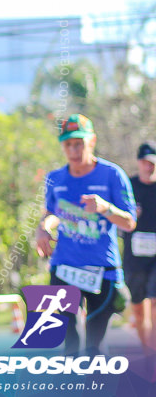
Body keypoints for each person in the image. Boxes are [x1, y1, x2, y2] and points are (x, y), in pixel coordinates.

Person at [35, 114, 136, 356]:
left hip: (101, 270)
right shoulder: (55, 178)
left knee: (94, 345)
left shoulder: (112, 175)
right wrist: (43, 228)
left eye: (79, 143)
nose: (73, 149)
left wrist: (105, 208)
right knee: (68, 339)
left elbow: (129, 222)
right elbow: (51, 211)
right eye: (68, 144)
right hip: (64, 267)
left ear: (91, 141)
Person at [123, 142, 156, 350]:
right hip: (134, 257)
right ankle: (148, 351)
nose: (149, 166)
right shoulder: (128, 186)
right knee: (139, 308)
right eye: (145, 162)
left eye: (152, 162)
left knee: (154, 302)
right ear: (138, 162)